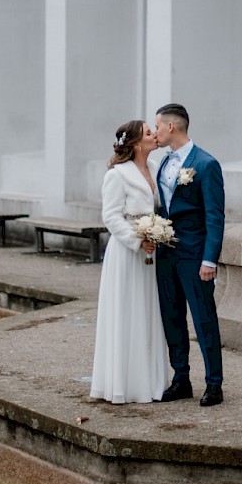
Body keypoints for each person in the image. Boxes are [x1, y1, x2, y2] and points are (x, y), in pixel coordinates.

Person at [89, 119, 169, 405]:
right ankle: (126, 384)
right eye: (149, 132)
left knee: (148, 312)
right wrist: (137, 240)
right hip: (126, 253)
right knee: (126, 312)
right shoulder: (117, 175)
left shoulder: (158, 168)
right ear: (136, 143)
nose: (154, 135)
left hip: (153, 252)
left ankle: (152, 382)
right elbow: (110, 216)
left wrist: (157, 236)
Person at [152, 103, 225, 406]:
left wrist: (210, 259)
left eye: (157, 126)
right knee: (172, 317)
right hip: (166, 252)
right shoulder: (163, 163)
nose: (154, 132)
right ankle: (180, 377)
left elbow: (215, 216)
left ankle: (214, 384)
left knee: (203, 318)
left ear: (171, 127)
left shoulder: (206, 164)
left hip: (195, 254)